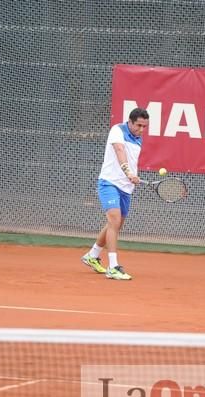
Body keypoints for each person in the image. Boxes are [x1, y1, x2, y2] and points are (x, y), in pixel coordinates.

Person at [82, 108, 149, 280]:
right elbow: (119, 151)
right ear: (130, 121)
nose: (141, 130)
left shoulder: (138, 139)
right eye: (139, 125)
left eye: (144, 126)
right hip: (109, 182)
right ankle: (113, 266)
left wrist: (132, 177)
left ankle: (92, 255)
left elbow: (131, 160)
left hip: (126, 188)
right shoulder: (117, 130)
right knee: (114, 220)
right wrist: (129, 173)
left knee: (116, 224)